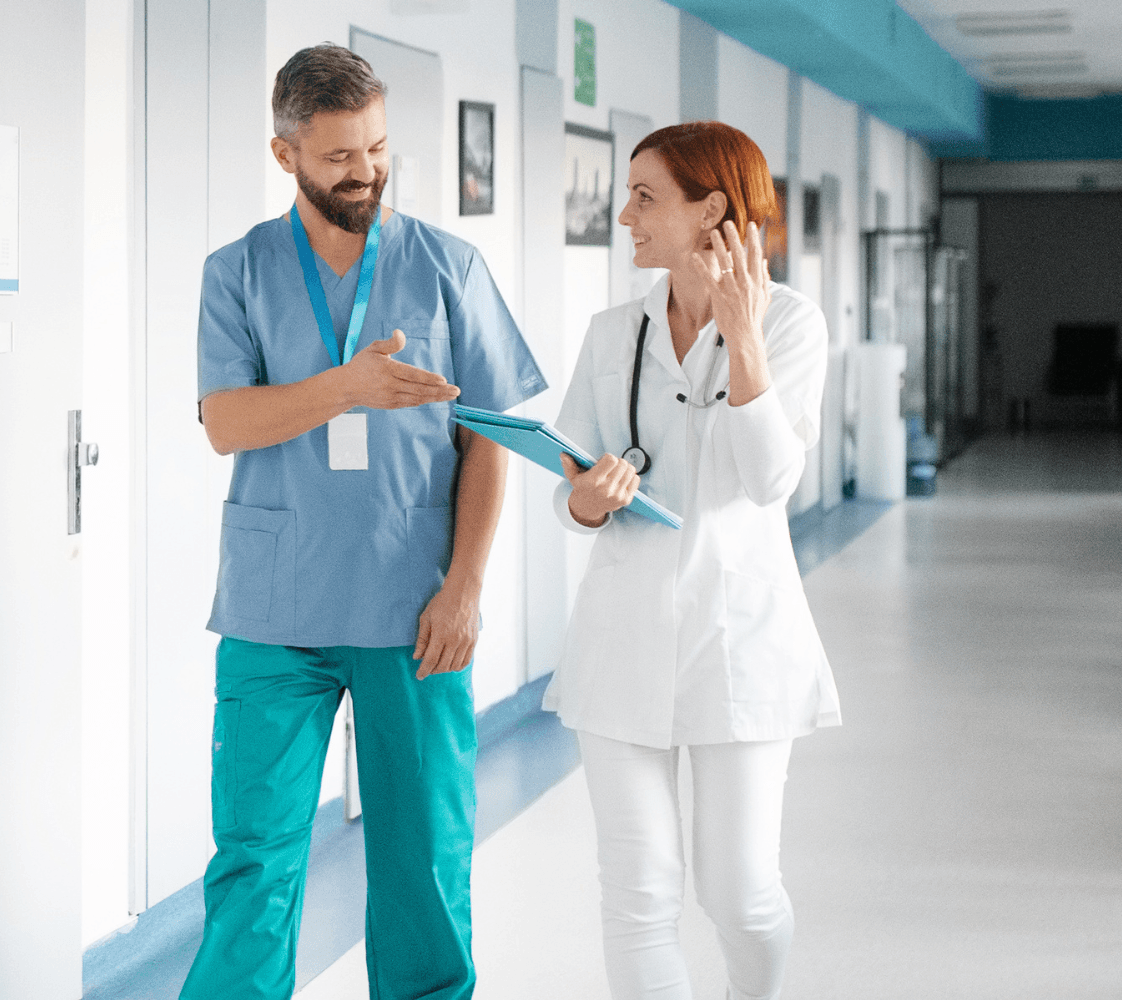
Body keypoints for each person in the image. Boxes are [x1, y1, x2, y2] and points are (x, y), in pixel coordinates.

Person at [185, 43, 548, 1000]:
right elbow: (227, 422)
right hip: (276, 612)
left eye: (379, 148)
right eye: (341, 157)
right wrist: (347, 385)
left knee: (424, 862)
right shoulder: (238, 274)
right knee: (255, 862)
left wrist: (465, 588)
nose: (367, 172)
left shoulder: (445, 264)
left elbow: (490, 440)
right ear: (286, 155)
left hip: (414, 608)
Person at [546, 121, 839, 1000]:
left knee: (738, 894)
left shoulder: (791, 325)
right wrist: (586, 500)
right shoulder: (612, 332)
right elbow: (568, 482)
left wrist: (742, 338)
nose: (625, 214)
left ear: (710, 207)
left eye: (645, 196)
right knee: (637, 895)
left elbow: (770, 477)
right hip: (620, 641)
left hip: (739, 642)